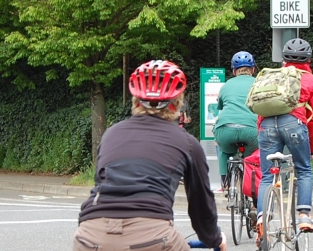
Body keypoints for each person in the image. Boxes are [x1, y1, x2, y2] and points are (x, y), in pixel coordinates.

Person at [73, 60, 227, 251]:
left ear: (136, 101)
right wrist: (215, 240)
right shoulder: (187, 143)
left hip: (90, 236)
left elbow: (102, 184)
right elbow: (201, 208)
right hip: (152, 238)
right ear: (177, 102)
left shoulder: (111, 133)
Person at [255, 38, 313, 233]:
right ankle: (304, 216)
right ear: (309, 60)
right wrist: (312, 147)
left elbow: (261, 108)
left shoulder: (273, 77)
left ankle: (262, 217)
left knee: (267, 176)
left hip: (267, 125)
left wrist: (262, 132)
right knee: (304, 169)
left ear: (284, 59)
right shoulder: (311, 81)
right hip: (293, 124)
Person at [213, 51, 260, 191]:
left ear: (234, 71)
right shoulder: (258, 83)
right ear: (253, 69)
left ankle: (225, 184)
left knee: (223, 149)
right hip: (251, 129)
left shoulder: (226, 85)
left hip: (226, 129)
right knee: (254, 156)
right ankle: (253, 187)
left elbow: (220, 107)